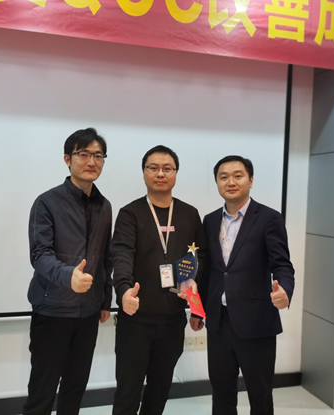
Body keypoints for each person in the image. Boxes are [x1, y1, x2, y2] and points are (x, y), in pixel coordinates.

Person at [191, 155, 295, 415]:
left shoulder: (269, 218)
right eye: (223, 177)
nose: (231, 182)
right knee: (221, 393)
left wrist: (285, 289)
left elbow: (283, 264)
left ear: (251, 180)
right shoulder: (210, 220)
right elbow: (208, 271)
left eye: (238, 176)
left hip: (256, 321)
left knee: (260, 396)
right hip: (219, 322)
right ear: (217, 182)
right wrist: (197, 310)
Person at [23, 128, 113, 415]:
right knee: (43, 390)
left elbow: (105, 257)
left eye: (98, 155)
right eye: (83, 154)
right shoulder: (47, 202)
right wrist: (68, 276)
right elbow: (40, 255)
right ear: (67, 159)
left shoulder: (104, 206)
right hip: (53, 310)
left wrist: (105, 299)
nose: (92, 161)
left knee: (75, 388)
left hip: (88, 313)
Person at [112, 145, 207, 415]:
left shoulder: (189, 214)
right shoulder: (130, 213)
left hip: (172, 322)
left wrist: (195, 302)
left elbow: (200, 256)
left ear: (176, 173)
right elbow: (121, 255)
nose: (160, 174)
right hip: (136, 321)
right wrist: (124, 290)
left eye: (167, 168)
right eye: (153, 168)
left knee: (160, 390)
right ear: (144, 173)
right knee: (127, 393)